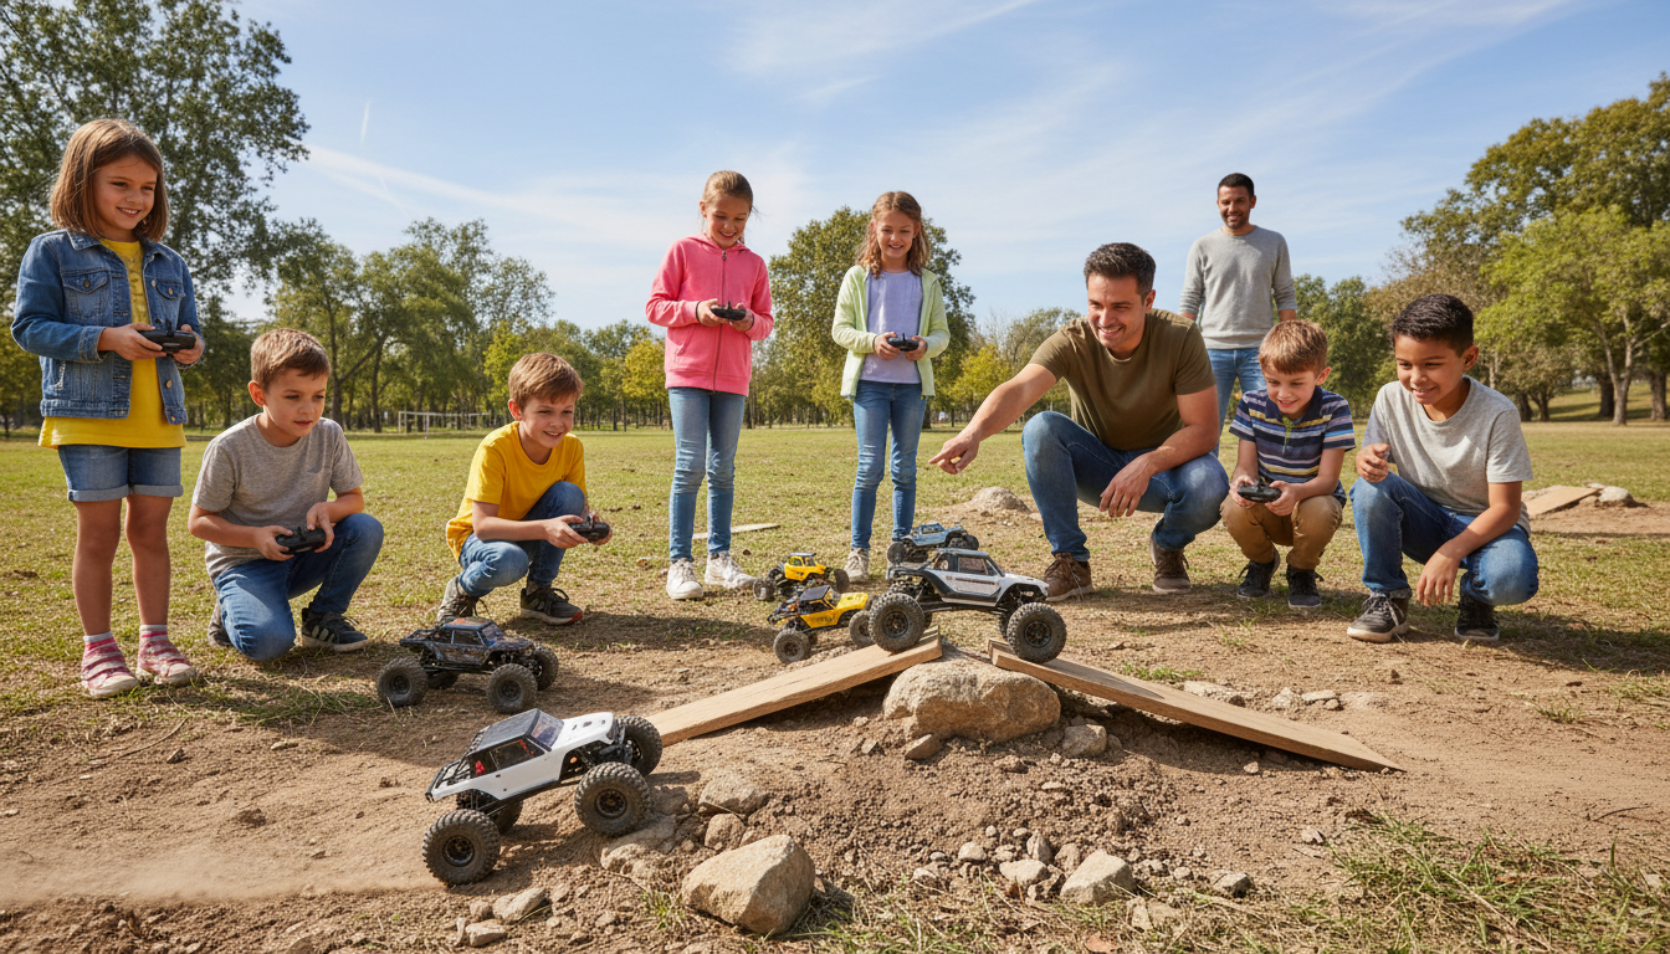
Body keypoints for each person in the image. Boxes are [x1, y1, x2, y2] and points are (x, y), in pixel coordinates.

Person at [10, 118, 206, 698]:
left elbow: (191, 331)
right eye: (120, 184)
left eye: (146, 188)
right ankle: (99, 650)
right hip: (88, 412)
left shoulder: (169, 260)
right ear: (82, 181)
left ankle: (155, 641)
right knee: (98, 535)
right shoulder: (51, 252)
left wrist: (192, 346)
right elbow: (29, 327)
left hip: (158, 413)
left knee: (151, 531)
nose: (135, 199)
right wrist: (105, 337)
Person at [930, 243, 1227, 598]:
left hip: (1163, 470)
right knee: (1040, 427)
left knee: (1210, 484)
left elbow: (1204, 430)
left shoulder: (1181, 337)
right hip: (1098, 465)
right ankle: (1071, 562)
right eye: (1095, 305)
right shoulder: (1073, 339)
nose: (1105, 319)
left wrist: (1147, 464)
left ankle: (1167, 545)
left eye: (1120, 307)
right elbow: (1020, 389)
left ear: (1148, 301)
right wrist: (973, 433)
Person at [1347, 293, 1539, 644]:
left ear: (1469, 358)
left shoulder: (1499, 413)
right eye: (1405, 364)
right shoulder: (1390, 398)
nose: (1416, 378)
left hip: (1487, 528)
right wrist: (1365, 460)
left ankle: (1478, 598)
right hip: (1426, 519)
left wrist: (1451, 552)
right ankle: (1387, 597)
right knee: (1369, 488)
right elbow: (1374, 466)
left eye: (1431, 365)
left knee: (1510, 580)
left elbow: (1506, 509)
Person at [188, 329, 383, 660]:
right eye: (293, 397)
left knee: (365, 528)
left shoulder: (329, 434)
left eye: (318, 396)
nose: (308, 409)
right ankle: (229, 610)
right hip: (246, 563)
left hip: (305, 554)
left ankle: (323, 619)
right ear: (259, 394)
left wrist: (329, 510)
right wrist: (255, 537)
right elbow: (199, 522)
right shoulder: (229, 447)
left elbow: (354, 499)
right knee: (269, 644)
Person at [646, 170, 774, 600]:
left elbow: (765, 324)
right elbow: (655, 306)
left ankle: (720, 559)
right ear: (704, 209)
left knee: (723, 469)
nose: (729, 226)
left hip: (734, 380)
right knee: (690, 466)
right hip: (688, 375)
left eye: (739, 219)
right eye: (721, 216)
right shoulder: (682, 251)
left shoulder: (754, 264)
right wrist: (696, 311)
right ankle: (679, 563)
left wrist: (747, 320)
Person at [434, 352, 609, 624]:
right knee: (510, 560)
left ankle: (538, 594)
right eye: (544, 412)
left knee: (569, 494)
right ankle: (462, 592)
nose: (557, 423)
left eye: (567, 412)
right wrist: (545, 528)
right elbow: (483, 526)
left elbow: (577, 504)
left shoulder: (572, 446)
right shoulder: (496, 448)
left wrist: (588, 525)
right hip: (479, 540)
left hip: (527, 531)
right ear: (517, 410)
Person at [830, 191, 950, 580]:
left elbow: (941, 335)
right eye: (887, 230)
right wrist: (872, 341)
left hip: (911, 388)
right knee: (869, 469)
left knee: (905, 470)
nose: (895, 238)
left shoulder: (927, 282)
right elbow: (841, 330)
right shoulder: (857, 277)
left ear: (916, 232)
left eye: (904, 230)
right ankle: (858, 551)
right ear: (873, 230)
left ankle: (902, 549)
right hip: (870, 386)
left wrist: (924, 345)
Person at [1220, 320, 1353, 610]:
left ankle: (1301, 570)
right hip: (1266, 505)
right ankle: (1262, 563)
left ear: (1321, 375)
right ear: (1262, 372)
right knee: (1232, 506)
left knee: (1321, 507)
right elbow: (1245, 467)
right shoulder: (1251, 404)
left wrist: (1295, 492)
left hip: (1310, 507)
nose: (1283, 393)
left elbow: (1329, 480)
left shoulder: (1335, 409)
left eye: (1296, 383)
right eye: (1273, 382)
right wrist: (1241, 482)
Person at [1178, 173, 1298, 434]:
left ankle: (1261, 476)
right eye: (1226, 202)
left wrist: (1288, 342)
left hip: (1260, 351)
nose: (1232, 209)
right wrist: (1182, 345)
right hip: (1210, 351)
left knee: (1266, 425)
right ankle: (1209, 477)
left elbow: (1285, 294)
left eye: (1239, 201)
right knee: (1204, 427)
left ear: (1252, 202)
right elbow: (1190, 297)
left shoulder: (1274, 242)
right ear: (1218, 204)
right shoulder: (1202, 246)